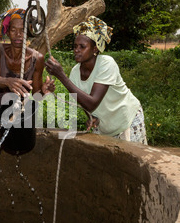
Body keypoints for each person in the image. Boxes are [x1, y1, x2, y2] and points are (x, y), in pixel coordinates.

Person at [45, 16, 148, 145]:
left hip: (127, 120)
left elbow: (92, 102)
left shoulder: (106, 64)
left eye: (82, 47)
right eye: (75, 46)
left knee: (131, 161)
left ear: (95, 49)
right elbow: (82, 101)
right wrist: (91, 117)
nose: (76, 50)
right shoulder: (75, 72)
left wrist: (61, 76)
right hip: (106, 125)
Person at [0, 8, 55, 123]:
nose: (18, 35)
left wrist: (44, 91)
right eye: (13, 30)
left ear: (28, 32)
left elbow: (36, 95)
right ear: (8, 32)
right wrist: (8, 81)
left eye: (23, 30)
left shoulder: (37, 58)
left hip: (20, 117)